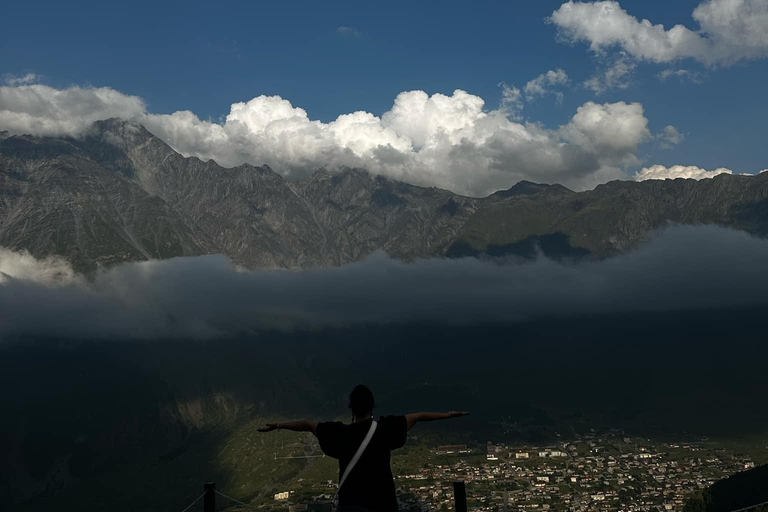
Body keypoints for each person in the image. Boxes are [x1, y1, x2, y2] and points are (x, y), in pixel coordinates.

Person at [258, 384, 469, 512]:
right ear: (372, 407)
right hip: (383, 503)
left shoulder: (340, 434)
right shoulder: (385, 429)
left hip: (351, 504)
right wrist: (448, 414)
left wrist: (277, 426)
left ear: (351, 408)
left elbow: (307, 424)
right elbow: (418, 416)